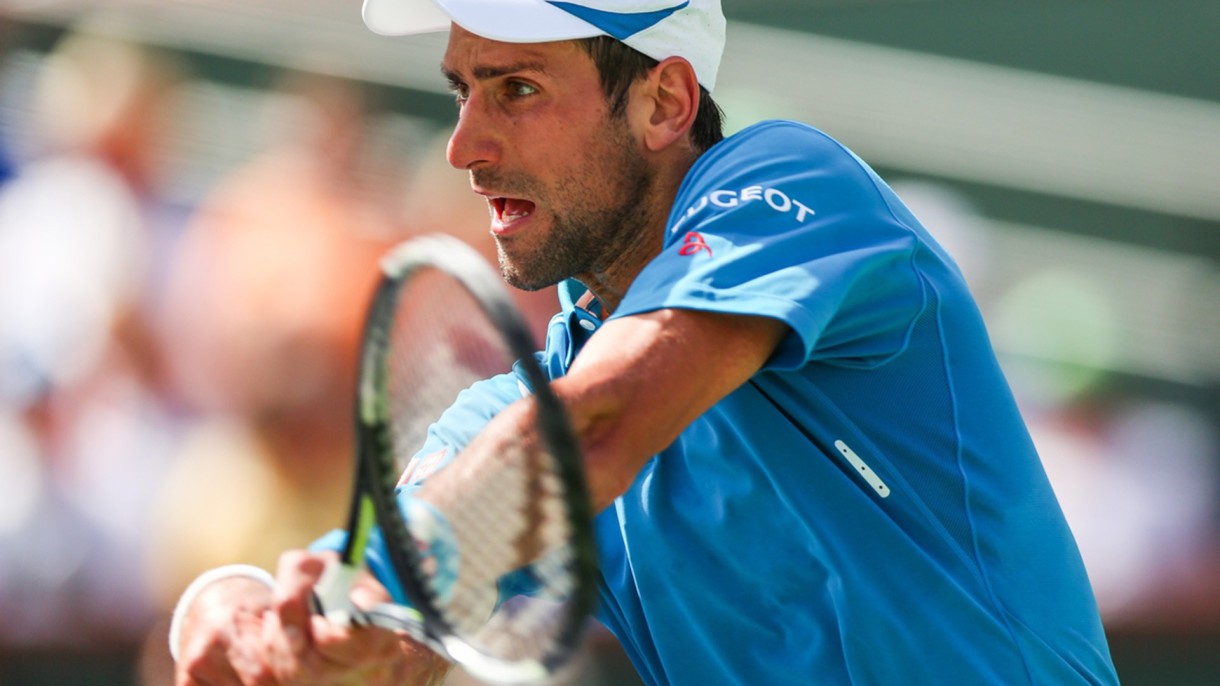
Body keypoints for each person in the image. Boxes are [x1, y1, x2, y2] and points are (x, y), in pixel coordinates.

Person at [170, 1, 1121, 684]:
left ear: (666, 102)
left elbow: (594, 429)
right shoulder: (514, 414)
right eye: (463, 90)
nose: (463, 144)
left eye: (517, 88)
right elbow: (402, 630)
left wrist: (382, 584)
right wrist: (247, 617)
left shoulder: (790, 181)